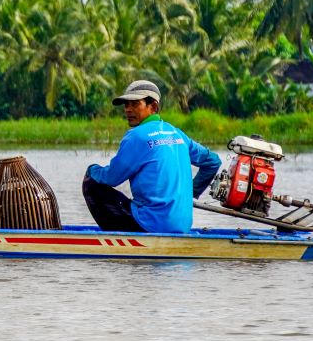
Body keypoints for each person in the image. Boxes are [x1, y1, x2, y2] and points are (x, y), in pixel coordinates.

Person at [83, 80, 221, 233]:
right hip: (182, 226)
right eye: (126, 105)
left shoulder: (136, 136)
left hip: (150, 225)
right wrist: (190, 195)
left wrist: (92, 170)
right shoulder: (177, 133)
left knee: (92, 184)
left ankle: (118, 243)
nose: (128, 110)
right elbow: (213, 161)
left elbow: (111, 178)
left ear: (153, 106)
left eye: (135, 104)